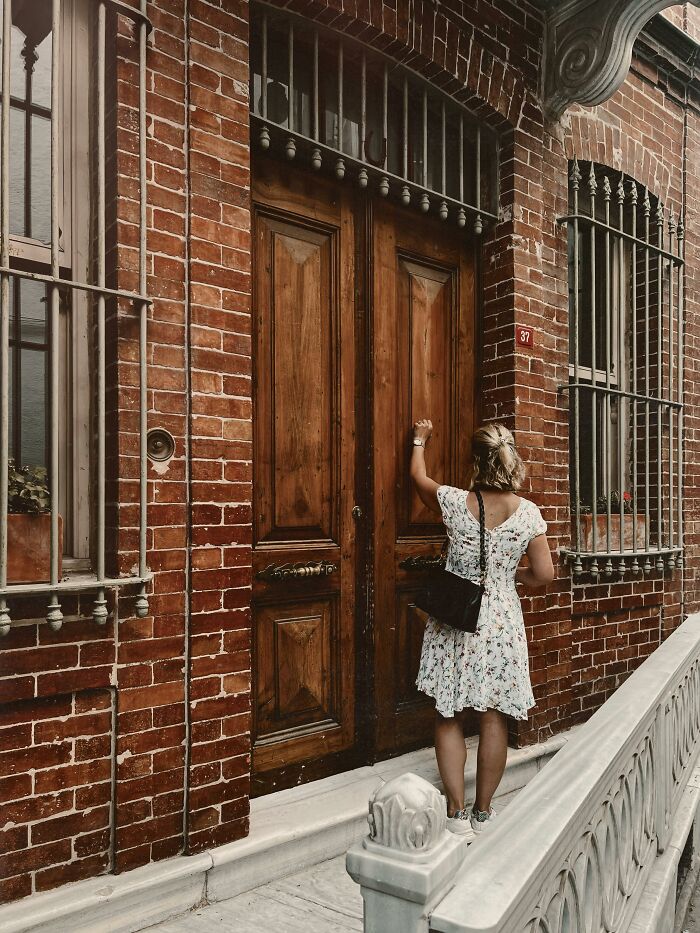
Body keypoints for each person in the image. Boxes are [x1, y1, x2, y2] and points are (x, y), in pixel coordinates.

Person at [410, 419, 554, 835]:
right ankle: (484, 813)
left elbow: (418, 477)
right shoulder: (528, 513)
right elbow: (544, 574)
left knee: (448, 712)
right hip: (502, 621)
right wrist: (511, 577)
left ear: (476, 460)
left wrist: (420, 438)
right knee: (494, 717)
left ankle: (455, 815)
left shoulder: (456, 502)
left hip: (457, 616)